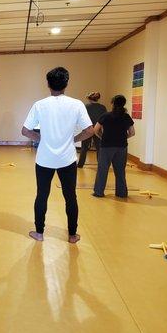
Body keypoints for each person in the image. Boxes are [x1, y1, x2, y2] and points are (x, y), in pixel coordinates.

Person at [22, 67, 94, 244]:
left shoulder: (40, 104)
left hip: (44, 159)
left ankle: (39, 233)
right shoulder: (77, 104)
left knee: (42, 195)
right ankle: (72, 235)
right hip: (67, 159)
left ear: (48, 84)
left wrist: (41, 138)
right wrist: (73, 139)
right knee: (70, 196)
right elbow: (90, 130)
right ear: (66, 84)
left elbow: (25, 131)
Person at [93, 95, 135, 198]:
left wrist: (102, 137)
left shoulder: (105, 116)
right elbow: (132, 132)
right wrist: (124, 138)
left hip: (106, 146)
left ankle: (99, 192)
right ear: (124, 104)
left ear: (112, 103)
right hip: (121, 146)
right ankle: (122, 193)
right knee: (120, 170)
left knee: (102, 169)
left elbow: (95, 130)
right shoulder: (126, 117)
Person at [77, 92, 107, 168]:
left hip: (87, 129)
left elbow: (82, 118)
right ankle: (100, 165)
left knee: (84, 147)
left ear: (89, 99)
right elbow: (105, 119)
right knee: (99, 148)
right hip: (98, 130)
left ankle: (80, 164)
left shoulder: (85, 106)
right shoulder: (102, 107)